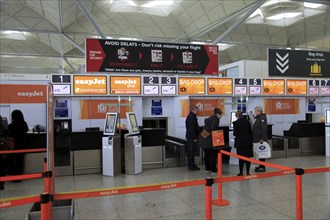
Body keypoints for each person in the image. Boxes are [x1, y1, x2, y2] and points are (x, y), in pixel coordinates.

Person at [7, 110, 29, 179]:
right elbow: (26, 130)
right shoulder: (24, 123)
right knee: (20, 161)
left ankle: (14, 175)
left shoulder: (11, 126)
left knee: (14, 161)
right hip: (23, 144)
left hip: (14, 145)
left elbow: (8, 134)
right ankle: (19, 176)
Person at [199, 107, 222, 174]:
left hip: (204, 139)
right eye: (220, 115)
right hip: (210, 141)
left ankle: (207, 168)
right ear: (218, 114)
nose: (221, 117)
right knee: (212, 155)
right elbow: (213, 128)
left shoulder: (208, 119)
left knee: (207, 155)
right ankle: (213, 170)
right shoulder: (215, 119)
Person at [233, 110, 254, 176]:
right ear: (242, 115)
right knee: (248, 158)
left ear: (236, 115)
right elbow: (250, 132)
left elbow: (235, 133)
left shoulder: (235, 123)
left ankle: (241, 172)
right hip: (248, 142)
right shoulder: (247, 122)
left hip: (240, 143)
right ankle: (248, 172)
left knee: (241, 158)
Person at [252, 106, 268, 172]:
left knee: (262, 153)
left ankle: (262, 167)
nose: (255, 112)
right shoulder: (258, 118)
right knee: (260, 153)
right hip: (257, 138)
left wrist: (262, 138)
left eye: (255, 111)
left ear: (259, 111)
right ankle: (260, 165)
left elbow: (263, 129)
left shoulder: (262, 118)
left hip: (261, 139)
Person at [185, 106, 200, 171]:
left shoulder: (191, 116)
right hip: (191, 137)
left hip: (190, 137)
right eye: (197, 111)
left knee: (191, 152)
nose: (198, 112)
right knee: (191, 152)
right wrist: (195, 137)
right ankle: (191, 166)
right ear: (194, 110)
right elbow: (192, 129)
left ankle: (191, 165)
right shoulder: (192, 117)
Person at [0, 115, 9, 190]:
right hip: (2, 150)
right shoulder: (2, 128)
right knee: (2, 166)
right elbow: (7, 134)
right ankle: (1, 184)